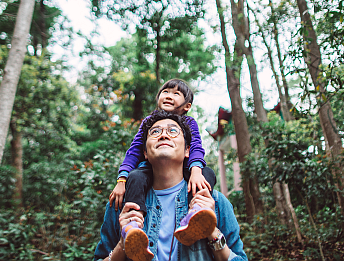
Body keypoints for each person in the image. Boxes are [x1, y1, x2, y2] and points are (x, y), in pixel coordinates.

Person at [94, 110, 248, 261]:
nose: (163, 135)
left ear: (188, 150)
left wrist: (211, 231)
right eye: (155, 132)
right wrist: (123, 244)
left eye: (173, 131)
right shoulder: (122, 205)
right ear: (145, 153)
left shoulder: (215, 202)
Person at [108, 80, 217, 251]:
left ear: (187, 106)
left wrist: (195, 170)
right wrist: (122, 180)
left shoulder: (189, 123)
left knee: (207, 174)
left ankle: (197, 212)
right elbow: (134, 151)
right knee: (134, 177)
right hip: (149, 169)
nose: (169, 95)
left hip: (186, 168)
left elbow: (195, 146)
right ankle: (132, 227)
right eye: (165, 91)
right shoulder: (149, 122)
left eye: (176, 93)